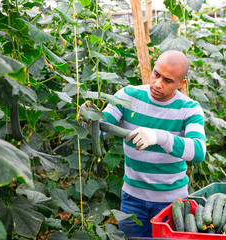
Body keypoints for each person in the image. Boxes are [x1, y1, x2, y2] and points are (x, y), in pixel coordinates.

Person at [89, 50, 206, 237]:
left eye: (167, 81)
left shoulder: (190, 109)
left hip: (172, 203)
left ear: (181, 83)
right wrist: (89, 119)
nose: (157, 83)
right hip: (132, 200)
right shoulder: (128, 96)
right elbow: (100, 129)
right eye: (156, 74)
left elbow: (198, 151)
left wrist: (160, 137)